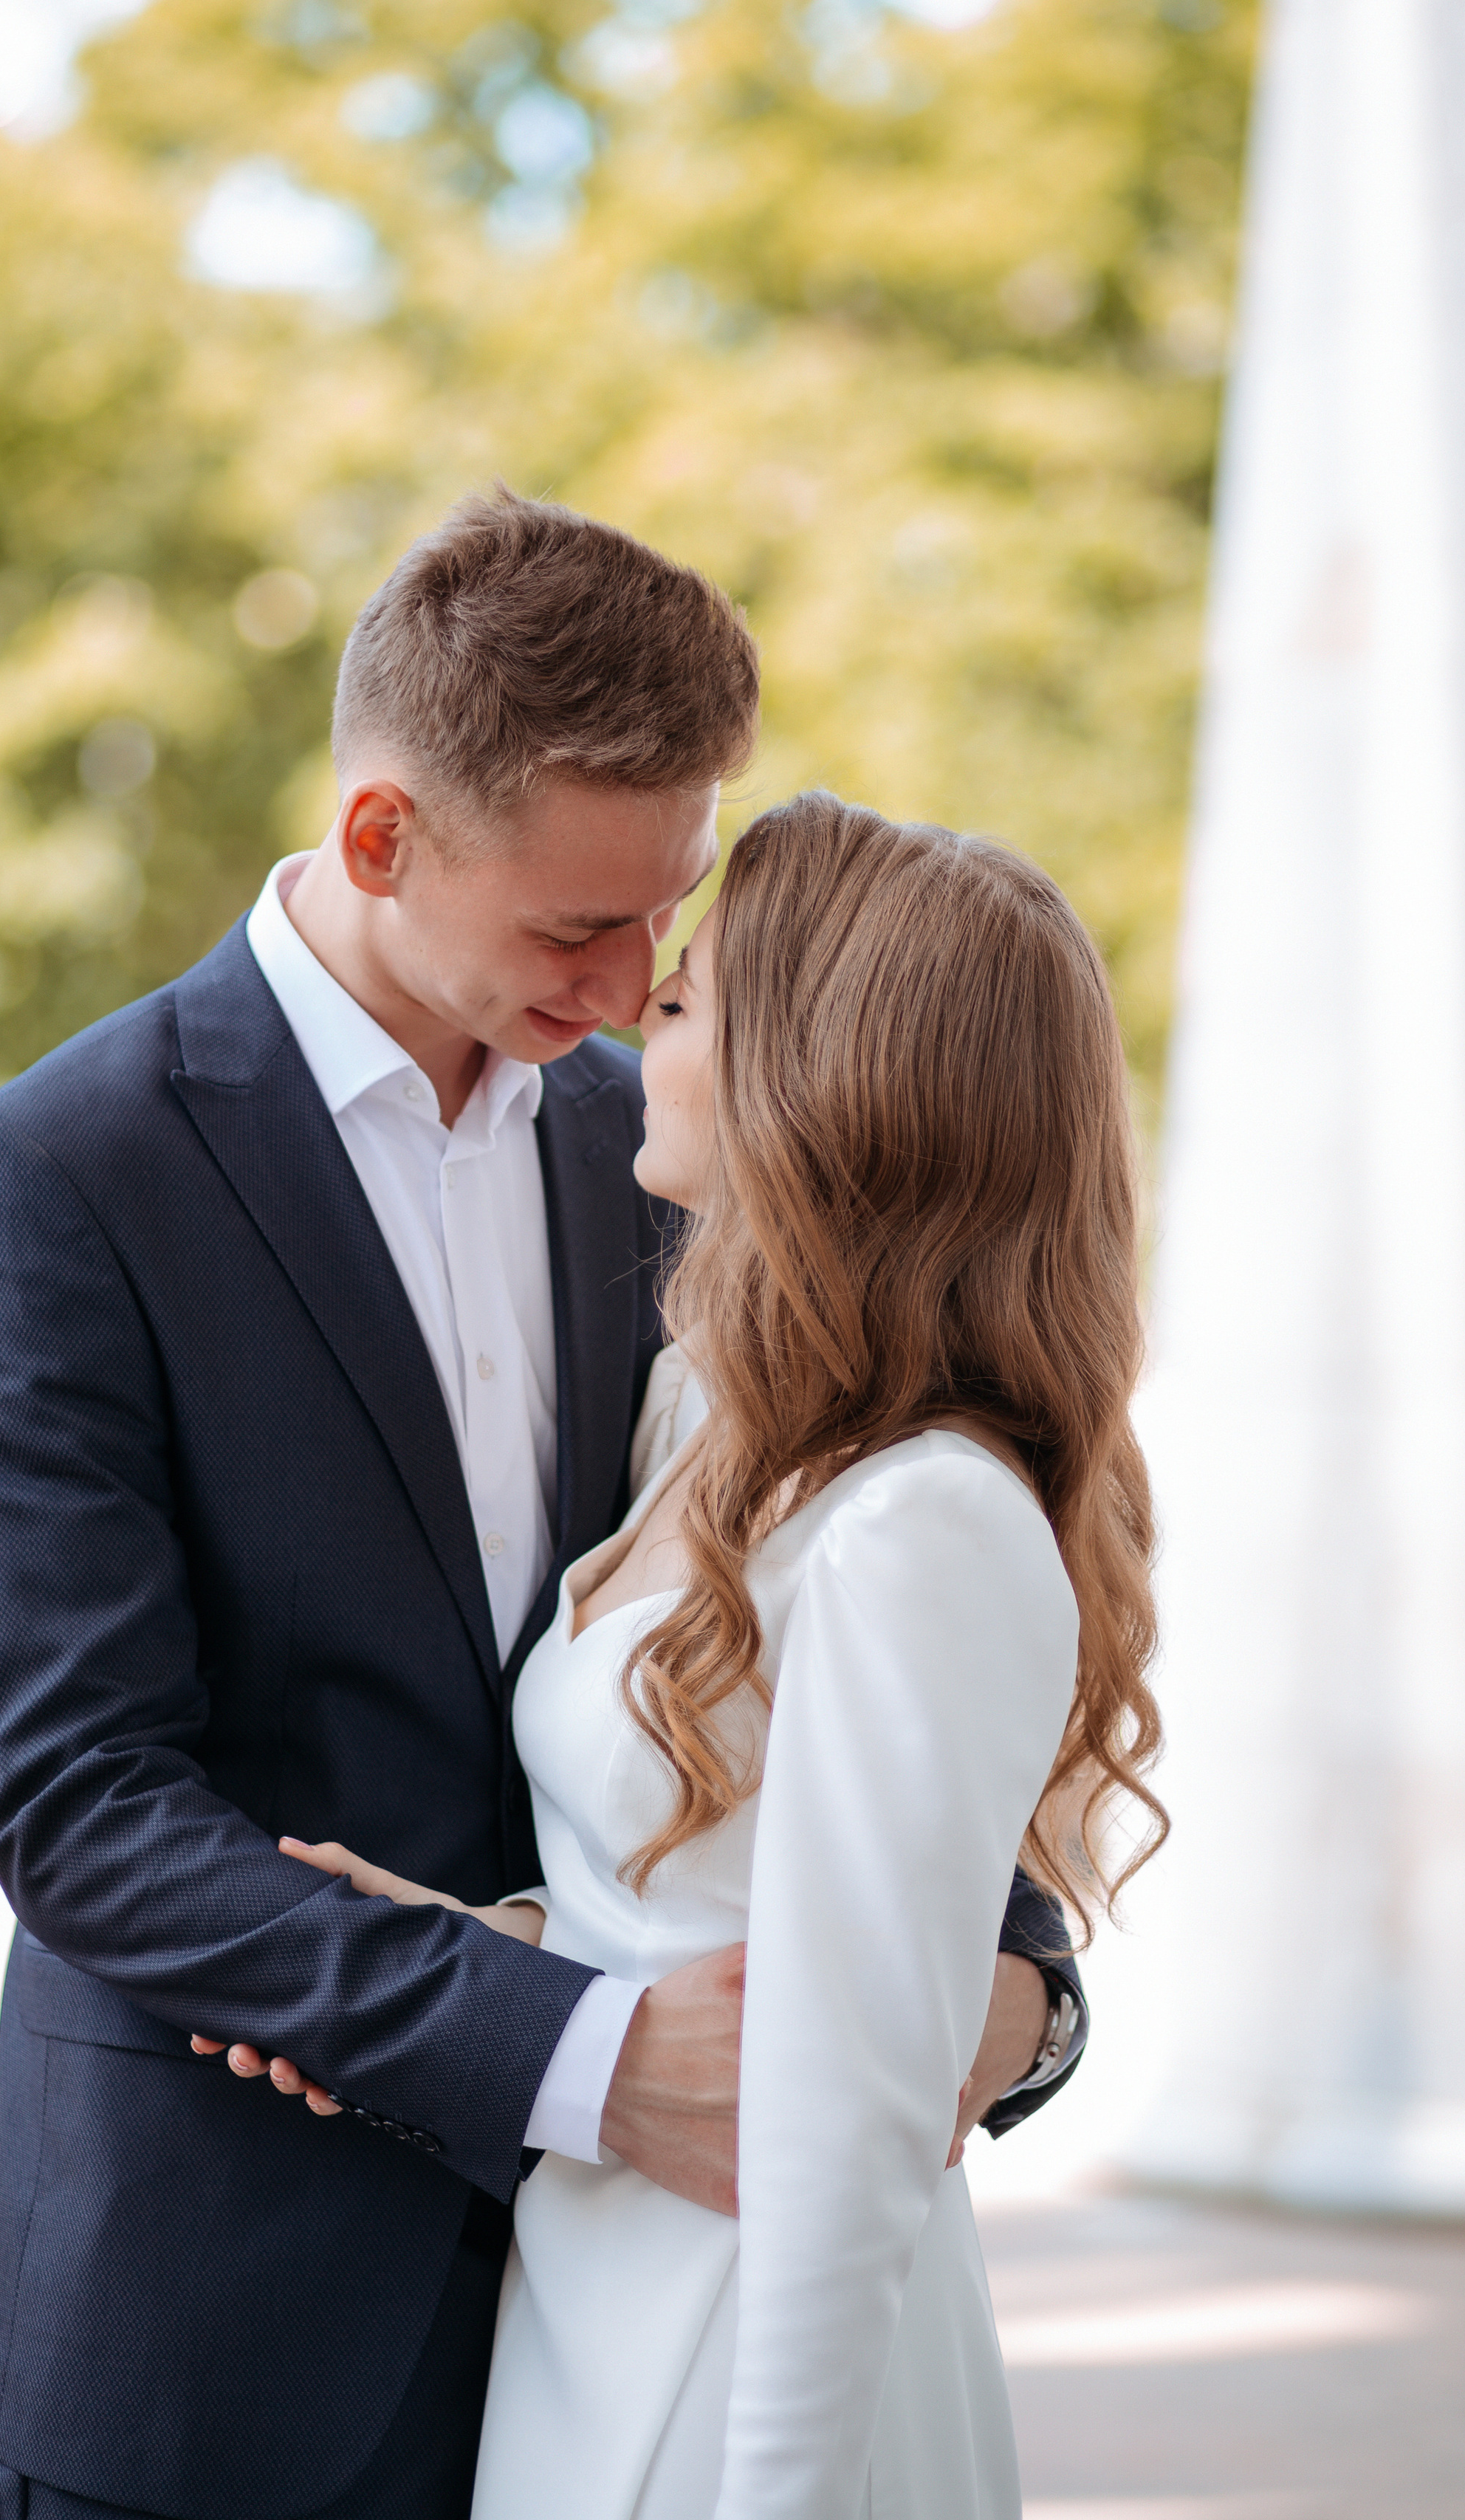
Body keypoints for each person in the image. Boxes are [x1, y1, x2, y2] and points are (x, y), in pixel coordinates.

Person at [0, 495, 1088, 2520]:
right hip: (220, 2345)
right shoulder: (63, 1172)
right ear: (383, 838)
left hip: (630, 2337)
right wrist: (589, 2057)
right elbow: (86, 1805)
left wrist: (1012, 1982)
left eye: (672, 914)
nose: (643, 983)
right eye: (577, 928)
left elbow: (856, 1617)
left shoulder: (673, 1152)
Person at [262, 794, 1165, 2517]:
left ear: (819, 1084)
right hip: (583, 2294)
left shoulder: (922, 1528)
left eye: (679, 1006)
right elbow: (703, 1892)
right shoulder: (707, 1419)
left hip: (749, 2352)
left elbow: (854, 2134)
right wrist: (473, 1951)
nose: (624, 1025)